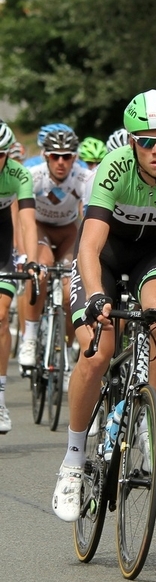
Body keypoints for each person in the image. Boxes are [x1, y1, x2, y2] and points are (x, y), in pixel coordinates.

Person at [51, 89, 156, 522]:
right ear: (131, 143)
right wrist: (94, 296)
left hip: (152, 255)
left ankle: (152, 421)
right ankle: (72, 462)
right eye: (146, 141)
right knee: (98, 351)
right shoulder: (113, 169)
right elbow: (88, 246)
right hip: (104, 259)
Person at [17, 129, 92, 392]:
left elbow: (88, 217)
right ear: (46, 156)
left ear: (74, 158)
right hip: (40, 230)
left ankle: (70, 344)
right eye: (55, 156)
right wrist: (25, 254)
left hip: (68, 230)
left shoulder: (83, 178)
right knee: (41, 270)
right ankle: (31, 335)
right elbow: (20, 217)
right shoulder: (34, 176)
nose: (61, 162)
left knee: (72, 286)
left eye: (67, 156)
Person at [0, 122, 40, 433]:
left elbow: (27, 222)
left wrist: (30, 260)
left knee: (0, 316)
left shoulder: (19, 174)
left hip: (3, 245)